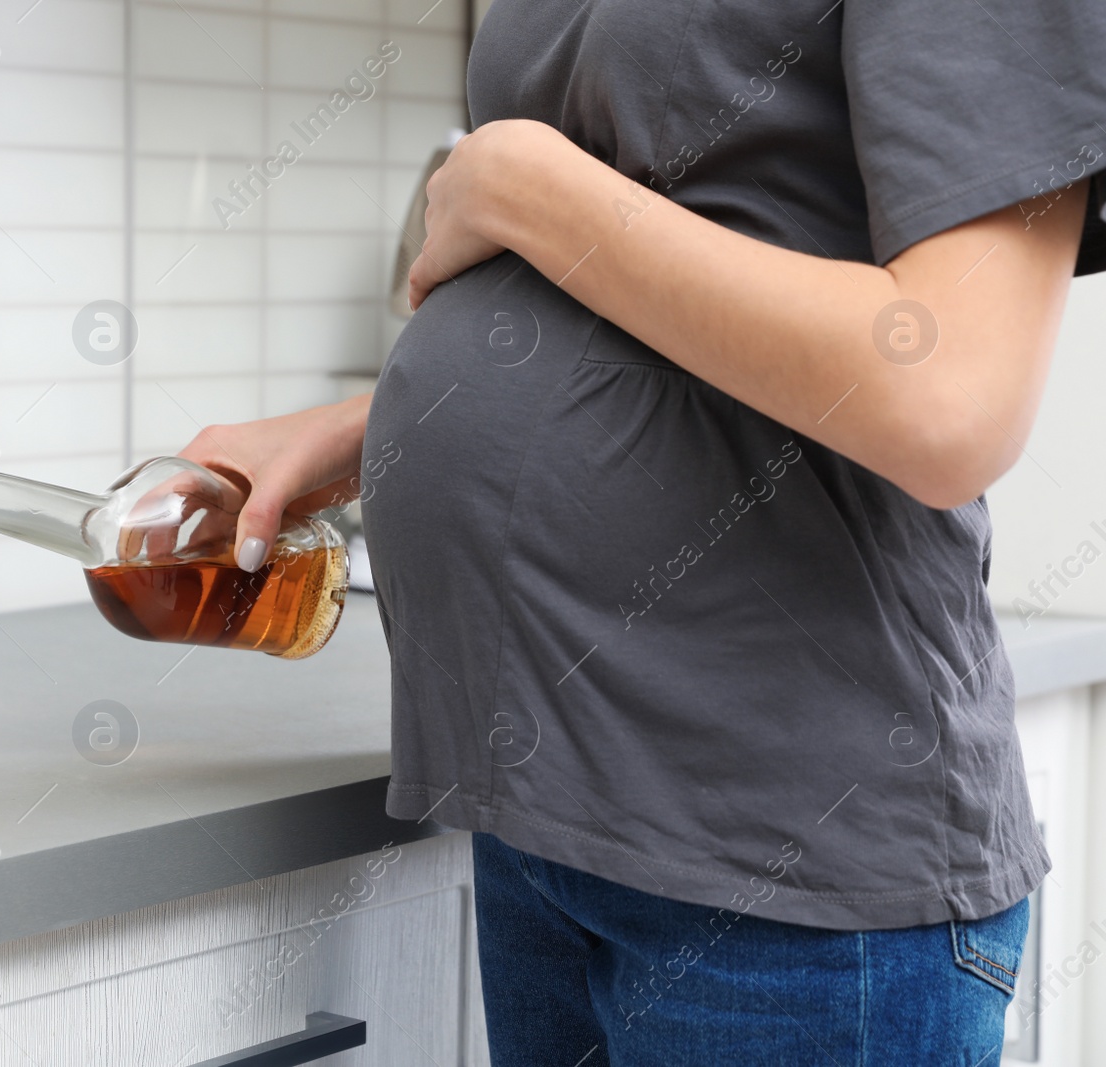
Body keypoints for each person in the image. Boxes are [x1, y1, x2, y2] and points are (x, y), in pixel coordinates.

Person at [180, 0, 1106, 1061]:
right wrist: (371, 425)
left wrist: (530, 186)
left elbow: (950, 396)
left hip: (783, 871)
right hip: (547, 819)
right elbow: (685, 272)